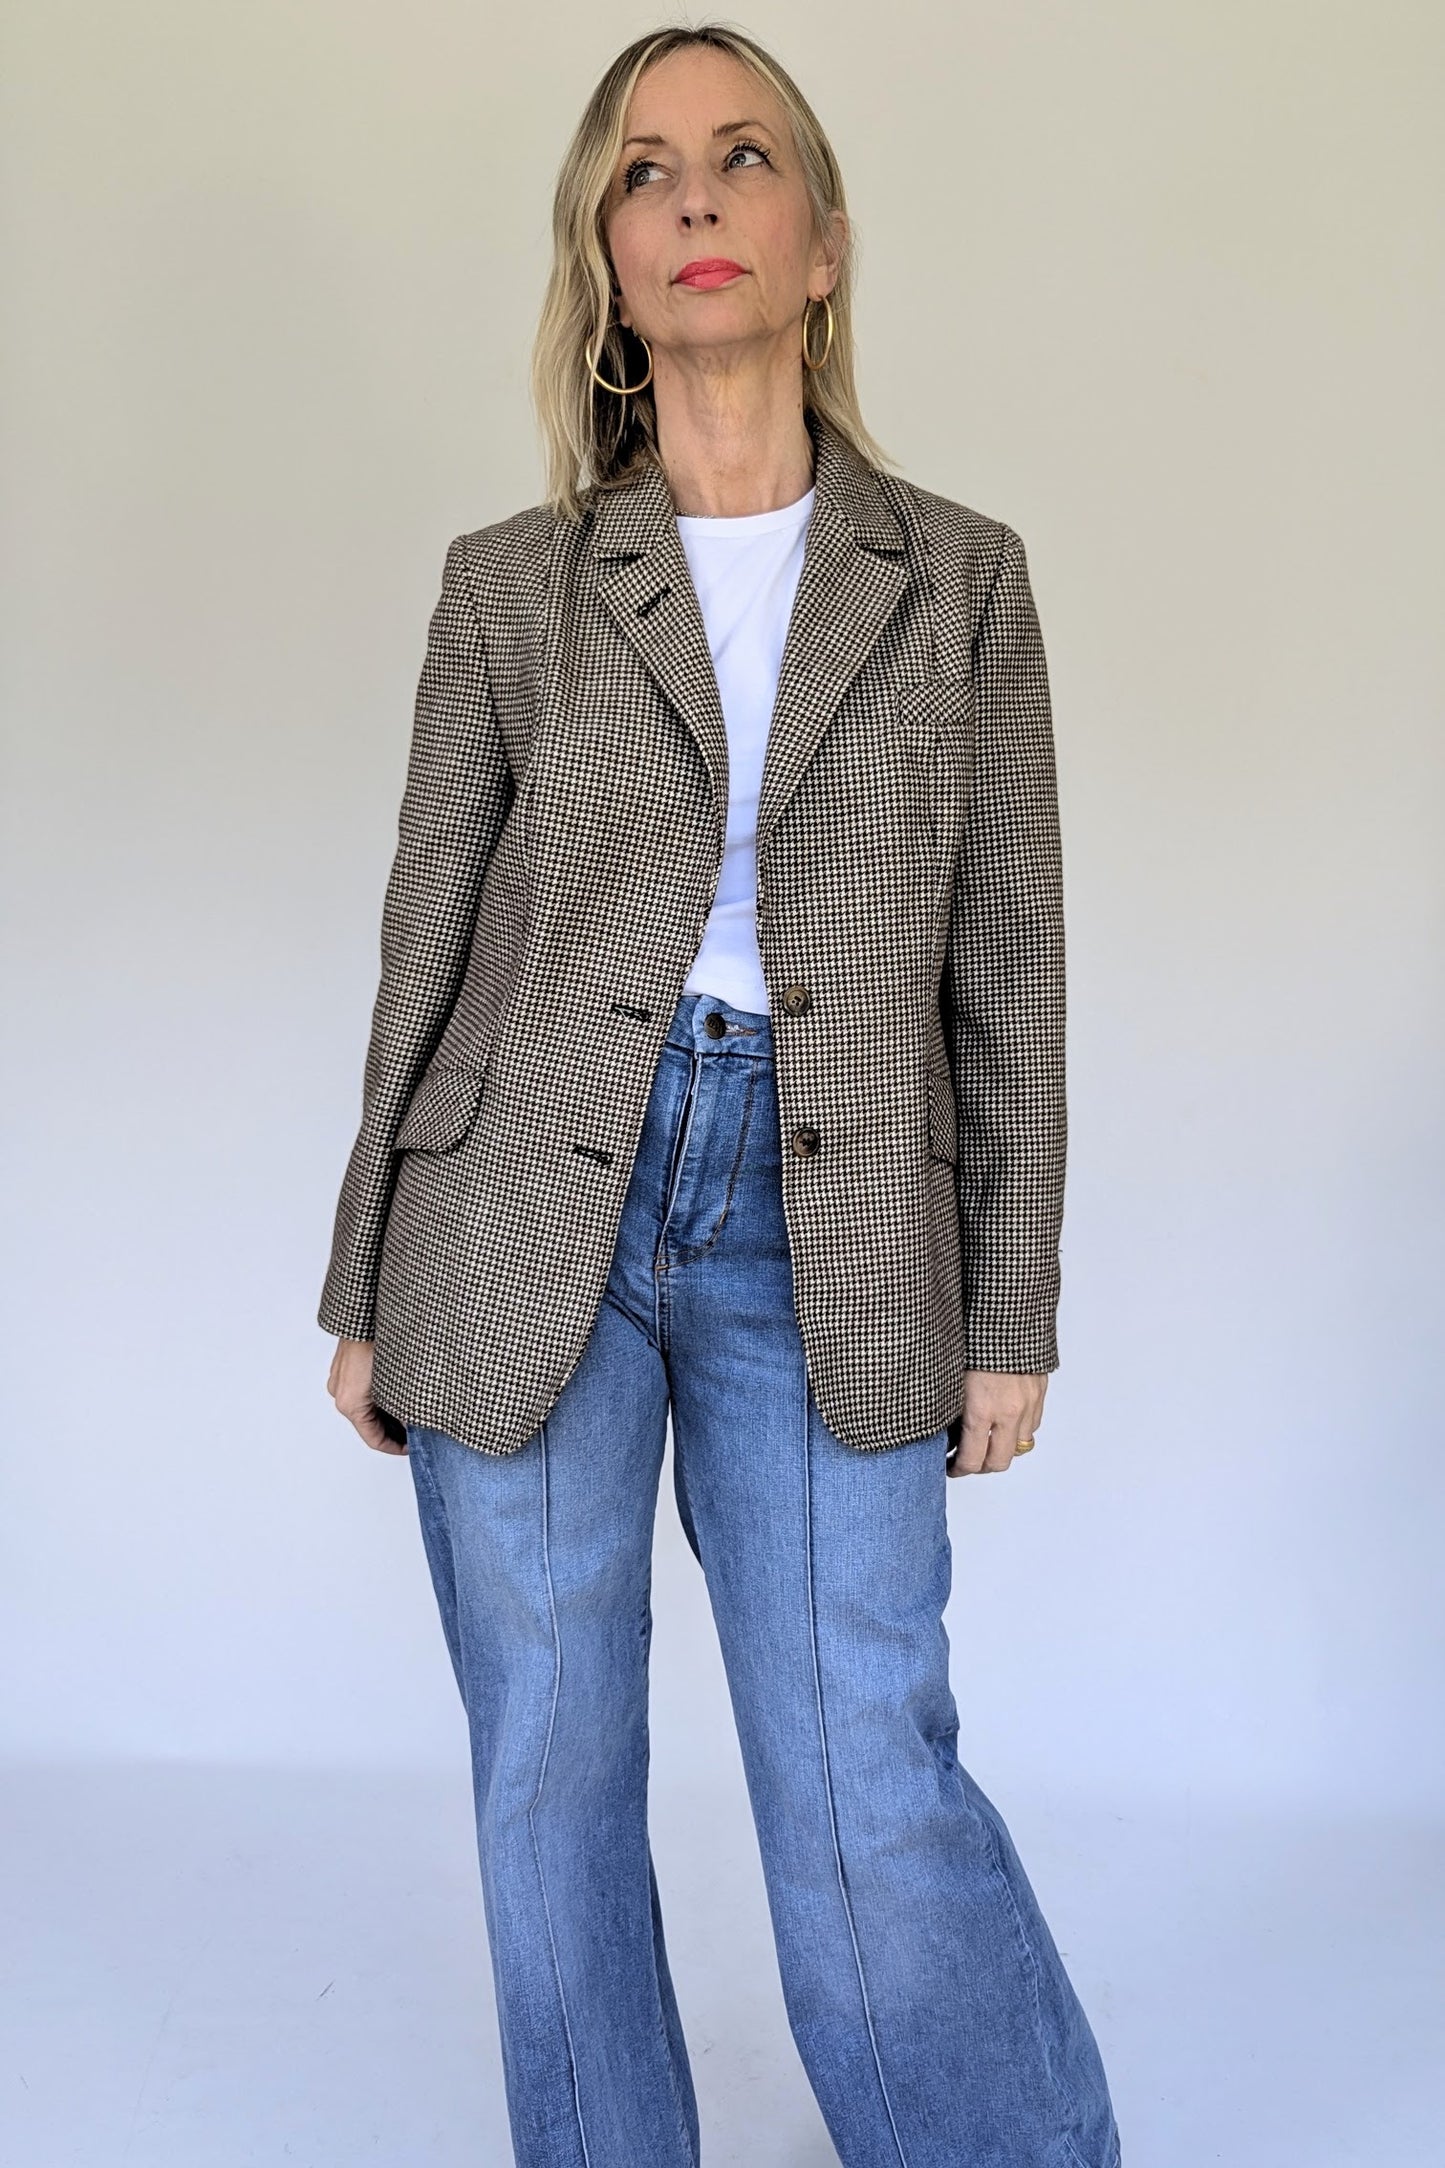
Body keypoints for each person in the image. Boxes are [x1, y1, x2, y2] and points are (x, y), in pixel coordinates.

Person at [318, 23, 1121, 2168]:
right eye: (645, 165)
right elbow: (429, 944)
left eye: (742, 156)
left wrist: (1008, 1305)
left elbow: (1011, 966)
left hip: (828, 1226)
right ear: (603, 248)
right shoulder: (513, 583)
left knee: (867, 1782)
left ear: (823, 240)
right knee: (549, 1778)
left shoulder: (958, 580)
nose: (692, 195)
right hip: (511, 1217)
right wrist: (360, 1273)